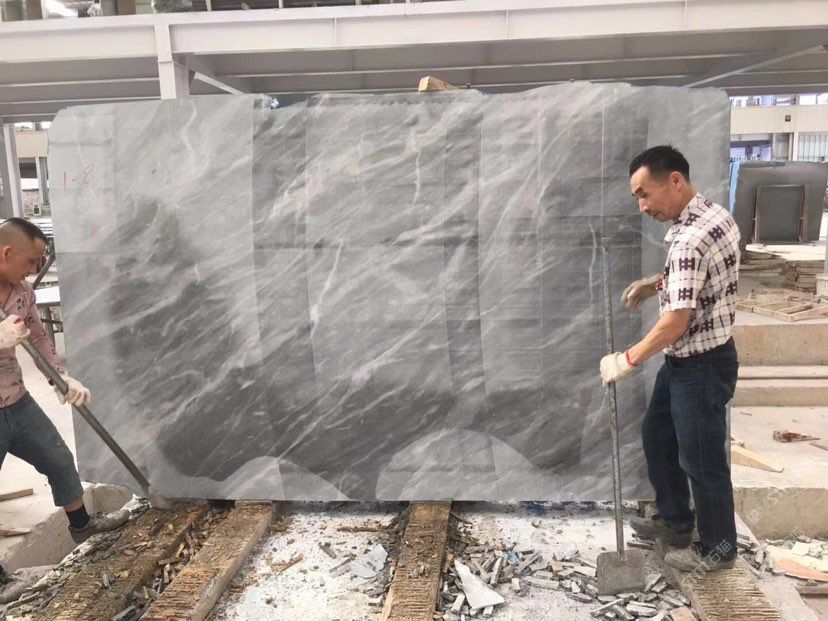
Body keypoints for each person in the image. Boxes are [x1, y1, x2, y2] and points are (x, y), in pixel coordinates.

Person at [600, 146, 741, 572]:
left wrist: (627, 359)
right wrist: (658, 283)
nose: (643, 206)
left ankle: (718, 549)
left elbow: (675, 322)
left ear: (675, 180)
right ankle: (676, 521)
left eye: (645, 194)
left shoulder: (688, 240)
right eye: (637, 198)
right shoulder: (712, 215)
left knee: (702, 460)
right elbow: (702, 275)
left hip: (700, 364)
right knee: (658, 435)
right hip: (694, 359)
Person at [0, 218, 130, 546]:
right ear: (7, 253)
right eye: (32, 261)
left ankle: (82, 526)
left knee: (58, 458)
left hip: (16, 399)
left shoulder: (22, 291)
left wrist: (60, 377)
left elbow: (38, 336)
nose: (34, 270)